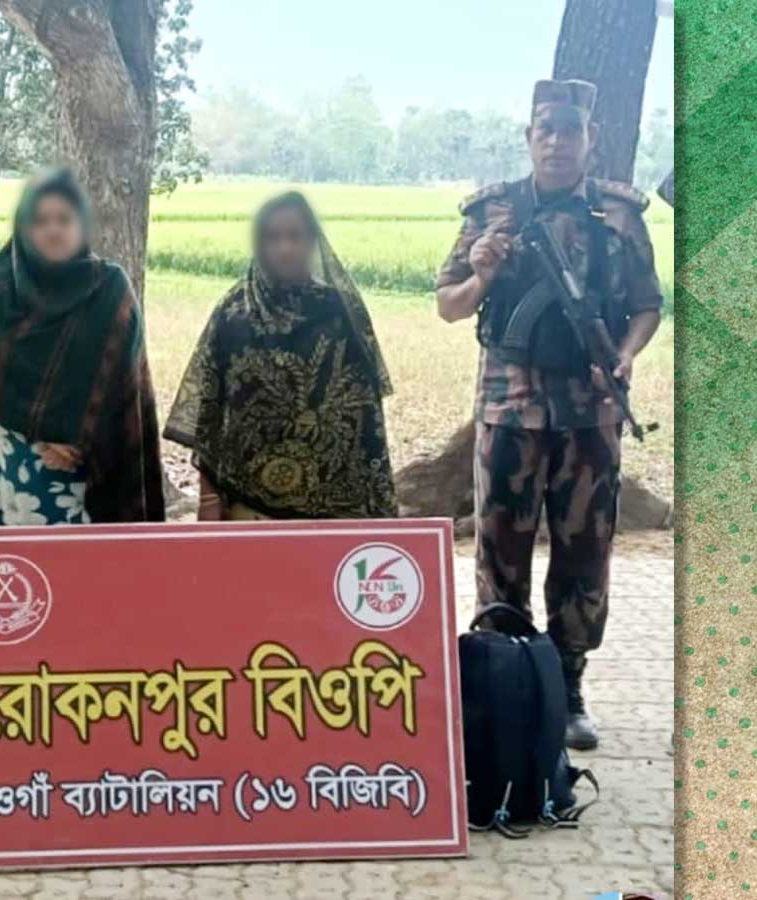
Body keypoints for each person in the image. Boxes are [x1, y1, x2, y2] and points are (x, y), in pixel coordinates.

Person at [434, 79, 664, 751]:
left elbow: (648, 304)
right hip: (508, 411)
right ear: (529, 138)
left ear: (591, 139)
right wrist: (482, 273)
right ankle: (504, 684)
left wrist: (624, 355)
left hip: (589, 415)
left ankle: (567, 686)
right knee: (499, 551)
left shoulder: (618, 215)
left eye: (570, 130)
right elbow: (448, 306)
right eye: (546, 130)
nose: (557, 142)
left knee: (584, 553)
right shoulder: (492, 212)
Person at [165, 192, 396, 520]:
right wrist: (209, 500)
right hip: (247, 506)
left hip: (332, 510)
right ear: (259, 245)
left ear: (312, 240)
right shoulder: (234, 313)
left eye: (295, 236)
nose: (285, 247)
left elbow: (367, 417)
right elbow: (210, 415)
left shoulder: (341, 313)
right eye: (273, 238)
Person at [0, 168, 165, 525]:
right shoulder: (0, 287)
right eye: (40, 221)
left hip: (85, 463)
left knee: (77, 557)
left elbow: (125, 386)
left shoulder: (111, 289)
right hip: (12, 456)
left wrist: (79, 438)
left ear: (82, 225)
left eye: (64, 219)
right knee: (14, 557)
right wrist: (41, 431)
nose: (53, 230)